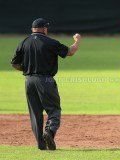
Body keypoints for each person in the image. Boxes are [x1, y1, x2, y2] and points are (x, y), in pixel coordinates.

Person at [11, 18, 81, 150]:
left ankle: (41, 145)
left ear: (32, 29)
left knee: (35, 112)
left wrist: (27, 69)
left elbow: (14, 63)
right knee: (54, 109)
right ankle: (49, 131)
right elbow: (70, 52)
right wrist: (77, 41)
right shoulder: (50, 42)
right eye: (46, 28)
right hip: (46, 80)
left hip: (29, 81)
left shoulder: (24, 42)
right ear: (44, 29)